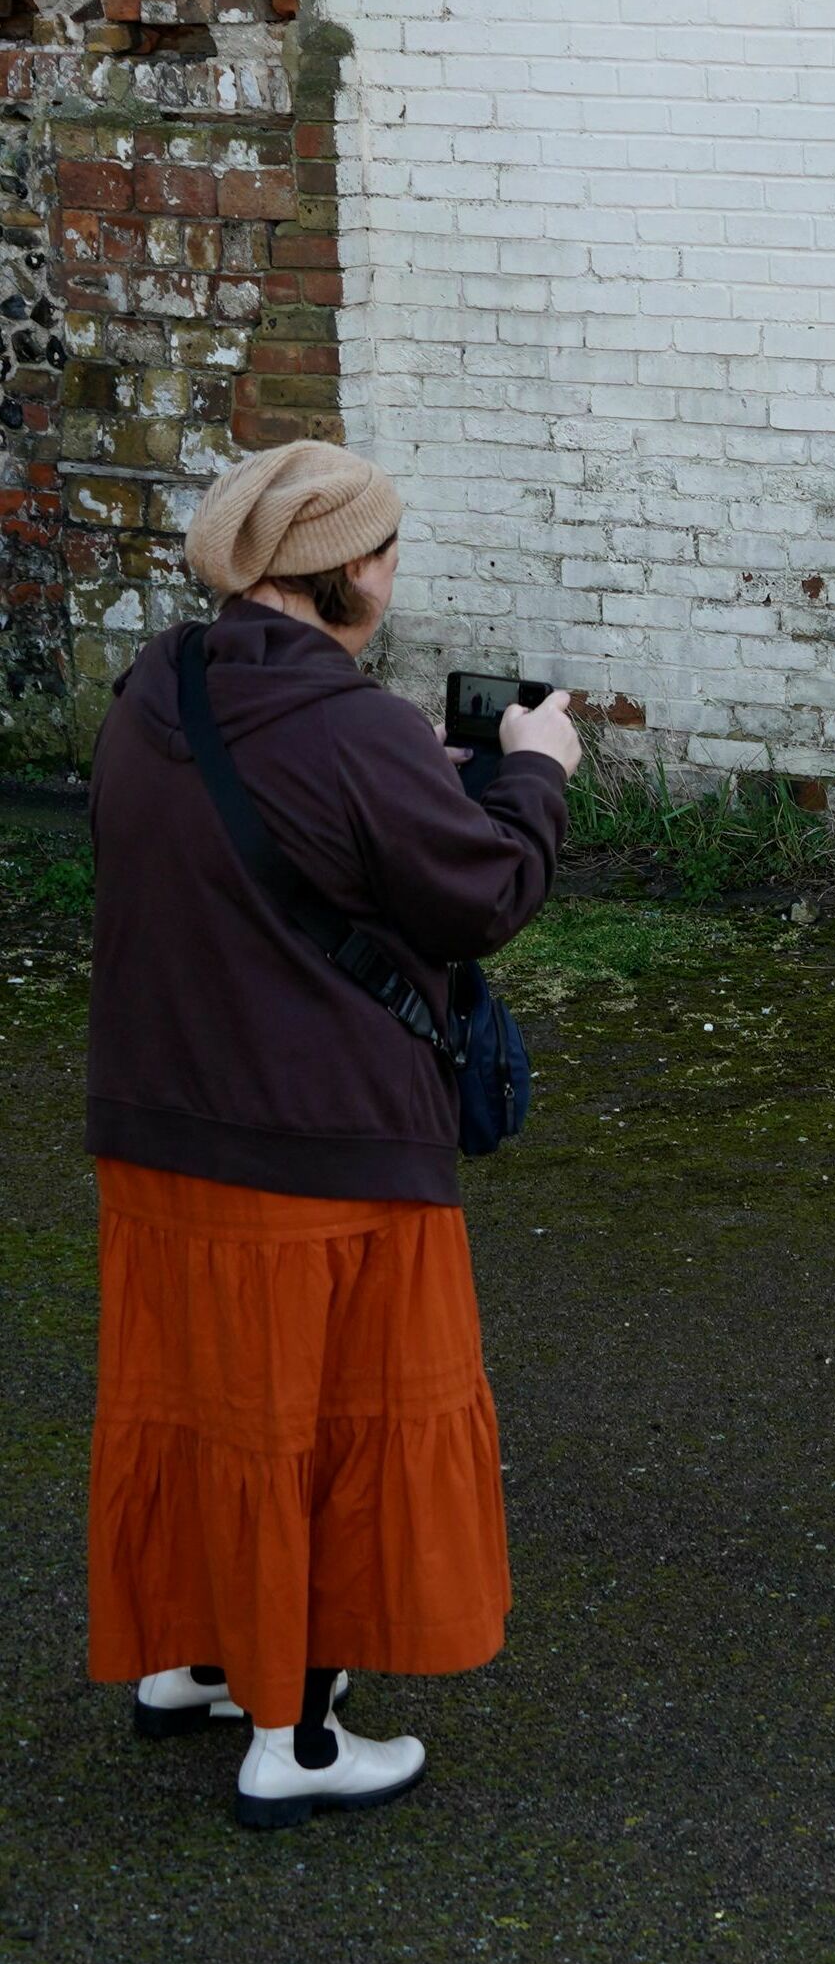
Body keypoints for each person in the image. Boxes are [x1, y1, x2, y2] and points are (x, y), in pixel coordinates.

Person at [84, 440, 582, 1830]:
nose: (393, 573)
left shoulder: (156, 690)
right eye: (388, 551)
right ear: (348, 571)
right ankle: (292, 1737)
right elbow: (482, 895)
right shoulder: (350, 726)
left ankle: (199, 1660)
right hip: (316, 1148)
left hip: (156, 1128)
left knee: (203, 1407)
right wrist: (535, 773)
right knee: (319, 1430)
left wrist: (416, 776)